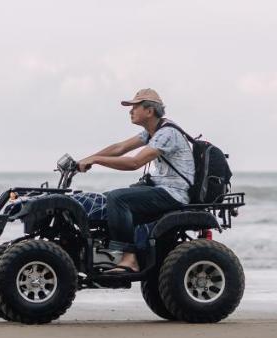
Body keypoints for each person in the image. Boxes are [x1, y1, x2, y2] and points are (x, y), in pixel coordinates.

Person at [77, 88, 195, 274]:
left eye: (134, 107)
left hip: (174, 193)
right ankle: (104, 255)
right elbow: (120, 148)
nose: (130, 111)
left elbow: (134, 163)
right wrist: (84, 160)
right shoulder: (152, 131)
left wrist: (96, 160)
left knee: (118, 198)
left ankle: (129, 258)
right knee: (106, 199)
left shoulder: (166, 134)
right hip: (162, 189)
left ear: (149, 111)